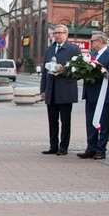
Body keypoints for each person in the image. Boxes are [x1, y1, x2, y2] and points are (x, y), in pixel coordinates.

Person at [40, 24, 81, 156]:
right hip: (51, 90)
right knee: (52, 120)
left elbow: (79, 70)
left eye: (60, 33)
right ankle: (53, 146)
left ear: (66, 34)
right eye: (55, 33)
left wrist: (64, 71)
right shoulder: (49, 50)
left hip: (65, 90)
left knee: (65, 121)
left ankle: (63, 147)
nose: (57, 35)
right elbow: (44, 72)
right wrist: (43, 89)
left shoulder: (73, 49)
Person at [78, 32, 109, 159]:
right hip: (90, 93)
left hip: (103, 95)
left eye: (92, 41)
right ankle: (91, 148)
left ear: (100, 42)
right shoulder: (91, 55)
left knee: (103, 124)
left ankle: (101, 150)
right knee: (90, 122)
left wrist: (100, 69)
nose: (91, 43)